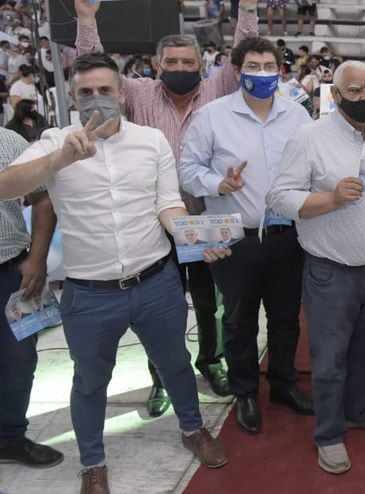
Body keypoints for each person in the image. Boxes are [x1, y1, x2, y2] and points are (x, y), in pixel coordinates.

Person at [0, 53, 231, 494]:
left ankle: (193, 428)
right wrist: (60, 160)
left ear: (122, 94)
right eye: (86, 92)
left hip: (155, 280)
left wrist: (191, 237)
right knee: (89, 381)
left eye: (105, 90)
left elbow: (168, 203)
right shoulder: (54, 141)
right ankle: (93, 463)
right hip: (89, 294)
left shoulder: (151, 141)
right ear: (72, 98)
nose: (96, 99)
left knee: (176, 364)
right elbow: (5, 185)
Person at [74, 0, 260, 413]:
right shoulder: (137, 94)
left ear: (203, 64)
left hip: (208, 216)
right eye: (171, 62)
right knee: (160, 308)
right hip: (155, 223)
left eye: (188, 61)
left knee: (212, 301)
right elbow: (97, 70)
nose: (180, 68)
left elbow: (244, 50)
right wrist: (87, 21)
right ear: (156, 66)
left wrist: (247, 8)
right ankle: (159, 376)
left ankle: (211, 363)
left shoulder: (217, 87)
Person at [266, 60, 365, 475]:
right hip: (331, 270)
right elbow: (279, 197)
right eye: (355, 91)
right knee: (331, 357)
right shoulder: (309, 138)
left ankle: (362, 409)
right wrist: (331, 199)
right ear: (335, 96)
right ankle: (330, 433)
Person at [179, 37, 315, 436]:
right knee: (238, 320)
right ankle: (245, 392)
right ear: (237, 72)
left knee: (287, 316)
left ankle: (283, 384)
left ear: (280, 69)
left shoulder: (298, 116)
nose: (261, 73)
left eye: (268, 65)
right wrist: (217, 184)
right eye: (252, 66)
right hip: (235, 238)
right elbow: (186, 170)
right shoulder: (211, 116)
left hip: (288, 233)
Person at [0, 128, 61, 470]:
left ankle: (10, 437)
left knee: (18, 363)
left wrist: (37, 258)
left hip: (10, 272)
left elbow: (42, 197)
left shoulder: (11, 143)